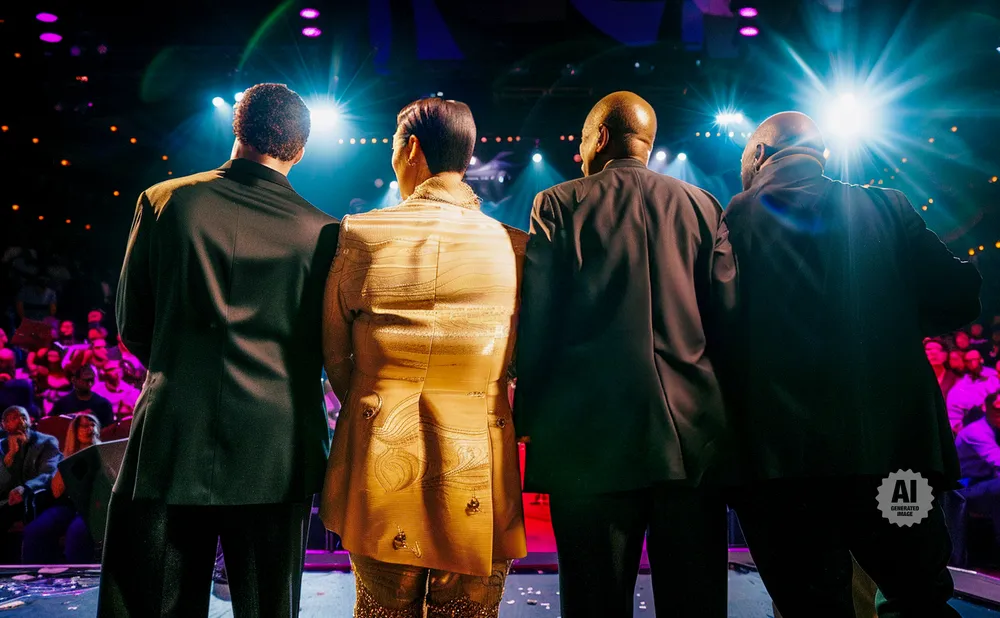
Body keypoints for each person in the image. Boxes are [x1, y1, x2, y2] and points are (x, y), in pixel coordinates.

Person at [722, 111, 981, 617]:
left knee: (813, 607)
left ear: (758, 156)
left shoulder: (736, 218)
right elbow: (960, 295)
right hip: (896, 464)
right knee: (919, 594)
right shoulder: (888, 206)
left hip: (789, 473)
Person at [98, 83, 340, 618]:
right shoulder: (325, 232)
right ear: (300, 149)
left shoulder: (165, 201)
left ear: (236, 129)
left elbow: (132, 325)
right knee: (267, 607)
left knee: (155, 603)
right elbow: (329, 346)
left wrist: (180, 368)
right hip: (277, 445)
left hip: (173, 433)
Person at [514, 91, 736, 617]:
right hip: (694, 441)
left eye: (584, 140)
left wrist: (528, 417)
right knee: (696, 601)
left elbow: (539, 320)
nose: (579, 153)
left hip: (591, 444)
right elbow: (729, 318)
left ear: (601, 138)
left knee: (595, 601)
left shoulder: (557, 203)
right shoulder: (704, 205)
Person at [320, 97, 527, 617]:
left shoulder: (360, 235)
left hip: (379, 454)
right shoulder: (513, 246)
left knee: (384, 610)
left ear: (410, 148)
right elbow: (523, 358)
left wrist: (374, 398)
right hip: (481, 456)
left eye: (393, 146)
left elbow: (334, 353)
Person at [22, 413, 101, 563]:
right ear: (74, 431)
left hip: (92, 507)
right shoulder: (65, 456)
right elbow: (57, 492)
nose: (90, 429)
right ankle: (35, 577)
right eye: (84, 426)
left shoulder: (102, 453)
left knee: (76, 533)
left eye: (93, 425)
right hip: (67, 505)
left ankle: (77, 580)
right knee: (34, 530)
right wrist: (69, 458)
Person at [0, 406, 61, 533]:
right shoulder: (1, 446)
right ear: (4, 425)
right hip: (6, 498)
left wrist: (25, 488)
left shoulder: (46, 442)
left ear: (30, 421)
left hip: (33, 496)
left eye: (23, 417)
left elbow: (48, 473)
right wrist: (11, 455)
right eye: (14, 418)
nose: (21, 422)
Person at [955, 393, 1000, 547]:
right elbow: (998, 461)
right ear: (987, 409)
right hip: (963, 486)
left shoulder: (996, 429)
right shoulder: (977, 432)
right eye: (997, 411)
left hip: (986, 483)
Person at [49, 364, 114, 427]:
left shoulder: (103, 404)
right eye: (86, 380)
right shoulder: (62, 404)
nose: (90, 384)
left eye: (92, 380)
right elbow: (49, 423)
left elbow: (109, 430)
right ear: (74, 380)